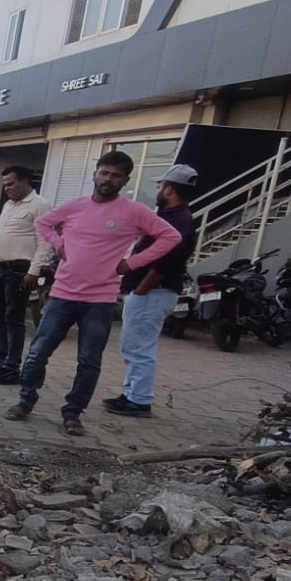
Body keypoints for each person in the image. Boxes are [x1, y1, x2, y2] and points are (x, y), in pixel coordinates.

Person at [5, 151, 181, 436]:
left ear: (126, 179)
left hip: (100, 301)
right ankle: (25, 402)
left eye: (116, 175)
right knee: (37, 354)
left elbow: (171, 236)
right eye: (104, 173)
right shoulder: (74, 207)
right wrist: (59, 245)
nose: (108, 179)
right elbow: (42, 223)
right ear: (95, 174)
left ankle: (73, 413)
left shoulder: (134, 212)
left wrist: (132, 263)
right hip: (62, 295)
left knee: (89, 362)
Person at [104, 164, 201, 418]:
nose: (158, 190)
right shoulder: (172, 217)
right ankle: (131, 394)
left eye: (160, 186)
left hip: (153, 292)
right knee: (133, 346)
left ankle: (140, 399)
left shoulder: (179, 221)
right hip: (151, 290)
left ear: (169, 189)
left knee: (139, 348)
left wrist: (141, 290)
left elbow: (166, 263)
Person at [0, 166, 54, 385]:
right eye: (4, 184)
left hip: (20, 270)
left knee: (14, 319)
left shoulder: (40, 205)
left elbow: (45, 241)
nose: (7, 188)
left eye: (11, 184)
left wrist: (34, 271)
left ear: (25, 181)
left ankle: (12, 367)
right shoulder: (10, 204)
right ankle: (0, 361)